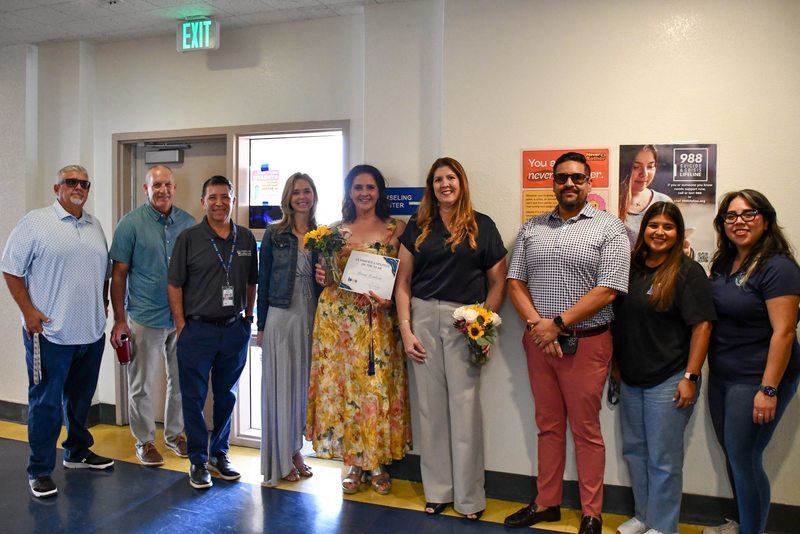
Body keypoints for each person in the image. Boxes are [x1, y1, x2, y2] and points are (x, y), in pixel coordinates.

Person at [504, 152, 630, 534]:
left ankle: (592, 512)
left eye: (577, 177)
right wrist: (538, 327)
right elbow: (514, 282)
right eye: (562, 178)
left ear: (590, 183)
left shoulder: (610, 229)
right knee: (548, 426)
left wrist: (556, 324)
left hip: (587, 344)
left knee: (586, 430)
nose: (569, 184)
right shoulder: (531, 228)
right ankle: (547, 502)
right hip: (540, 343)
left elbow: (608, 290)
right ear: (553, 182)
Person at [395, 157, 507, 521]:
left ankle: (470, 498)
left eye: (451, 178)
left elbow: (498, 282)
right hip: (423, 315)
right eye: (438, 179)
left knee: (465, 408)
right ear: (431, 186)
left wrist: (483, 325)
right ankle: (438, 491)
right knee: (429, 410)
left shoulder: (482, 225)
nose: (445, 184)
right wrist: (406, 328)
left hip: (465, 320)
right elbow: (402, 283)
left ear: (461, 182)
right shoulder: (418, 226)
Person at [1, 164, 114, 498]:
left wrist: (103, 302)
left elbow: (103, 271)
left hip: (90, 333)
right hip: (50, 334)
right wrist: (28, 312)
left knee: (80, 399)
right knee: (46, 402)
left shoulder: (94, 225)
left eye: (84, 183)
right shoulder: (36, 223)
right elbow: (10, 270)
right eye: (71, 182)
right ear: (57, 188)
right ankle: (39, 469)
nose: (78, 187)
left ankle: (77, 452)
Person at [306, 164, 411, 496]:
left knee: (376, 392)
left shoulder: (398, 229)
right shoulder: (334, 231)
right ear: (349, 192)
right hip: (338, 324)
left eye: (370, 187)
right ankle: (352, 462)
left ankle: (377, 462)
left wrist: (391, 300)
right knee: (346, 393)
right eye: (357, 187)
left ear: (380, 191)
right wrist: (323, 275)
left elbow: (406, 280)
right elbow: (327, 274)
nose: (364, 193)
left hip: (377, 322)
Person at [612, 202, 715, 534]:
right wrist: (616, 364)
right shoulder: (631, 268)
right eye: (653, 225)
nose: (659, 232)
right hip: (631, 378)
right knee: (636, 452)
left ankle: (664, 525)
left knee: (664, 461)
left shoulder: (688, 272)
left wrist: (690, 376)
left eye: (668, 227)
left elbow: (702, 327)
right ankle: (643, 517)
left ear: (679, 233)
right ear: (643, 231)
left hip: (669, 379)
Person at [704, 190, 799, 534]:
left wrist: (768, 388)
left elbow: (784, 333)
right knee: (735, 454)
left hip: (757, 378)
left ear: (766, 219)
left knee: (745, 458)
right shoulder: (724, 263)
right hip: (723, 375)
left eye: (748, 214)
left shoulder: (778, 267)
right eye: (731, 216)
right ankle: (745, 522)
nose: (739, 221)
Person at [167, 175, 257, 489]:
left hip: (233, 330)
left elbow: (251, 281)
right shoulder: (189, 238)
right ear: (203, 201)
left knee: (227, 396)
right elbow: (174, 283)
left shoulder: (245, 239)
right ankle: (197, 461)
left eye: (225, 197)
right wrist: (181, 326)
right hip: (197, 331)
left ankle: (219, 454)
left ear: (233, 201)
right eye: (213, 197)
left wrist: (248, 317)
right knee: (193, 397)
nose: (219, 203)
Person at [109, 165, 196, 466]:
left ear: (175, 188)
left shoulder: (188, 222)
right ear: (146, 189)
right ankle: (144, 441)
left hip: (182, 319)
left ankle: (176, 435)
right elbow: (118, 276)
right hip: (145, 316)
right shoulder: (130, 224)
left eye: (167, 185)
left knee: (181, 381)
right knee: (141, 385)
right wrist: (120, 319)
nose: (162, 190)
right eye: (155, 185)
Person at [257, 173, 322, 487]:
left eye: (307, 191)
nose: (302, 197)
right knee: (282, 388)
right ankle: (280, 459)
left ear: (314, 196)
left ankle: (296, 450)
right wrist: (260, 325)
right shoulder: (274, 234)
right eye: (296, 192)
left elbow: (330, 280)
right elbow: (263, 279)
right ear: (288, 197)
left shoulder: (323, 234)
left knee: (302, 390)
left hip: (312, 318)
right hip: (281, 316)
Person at [619, 145, 672, 246]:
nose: (645, 173)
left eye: (650, 166)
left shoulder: (663, 202)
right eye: (636, 167)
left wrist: (686, 251)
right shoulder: (609, 200)